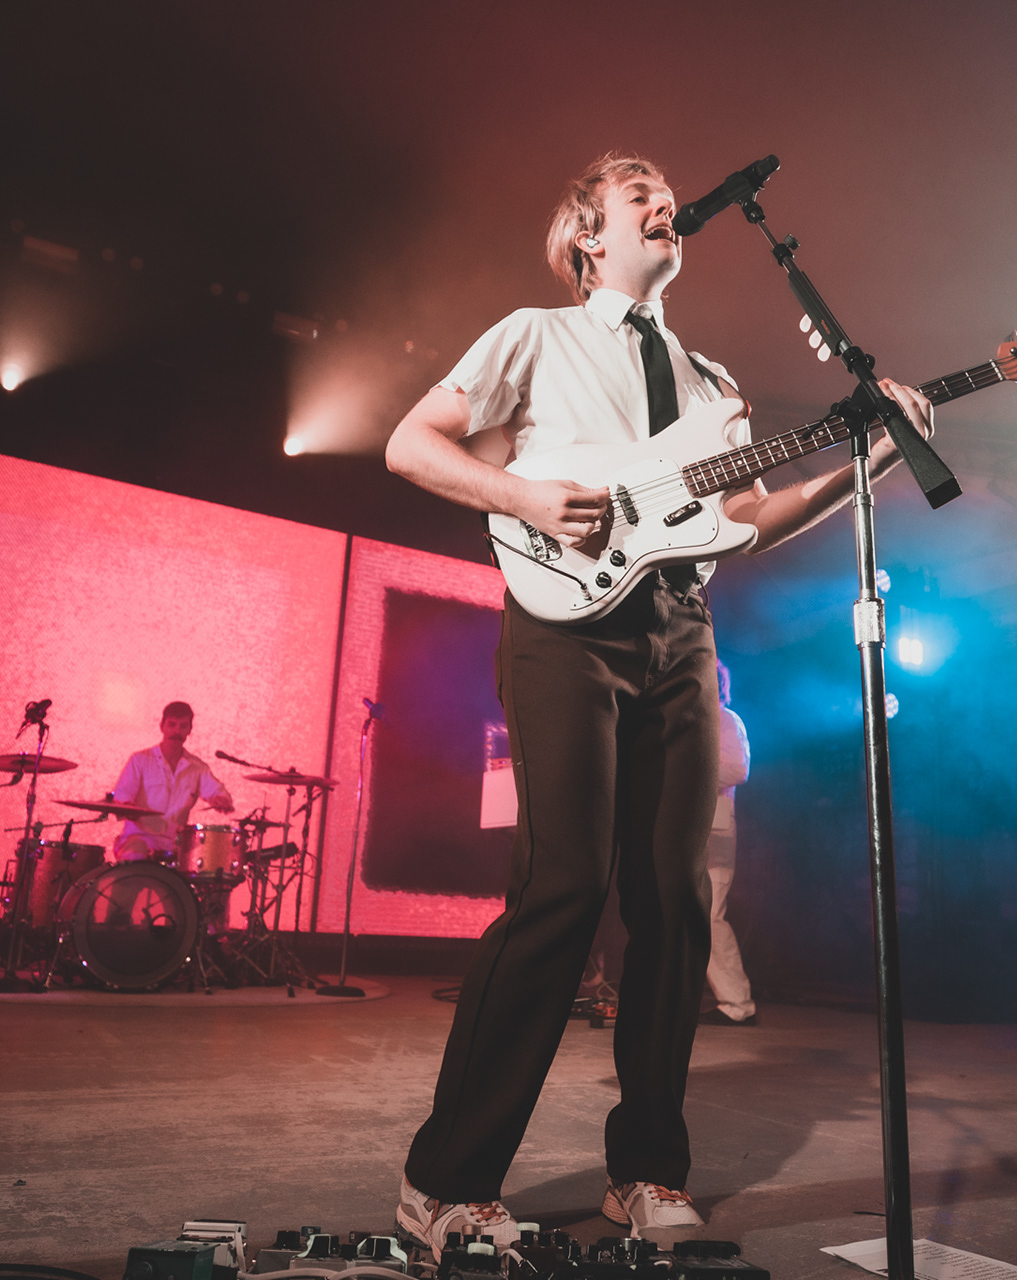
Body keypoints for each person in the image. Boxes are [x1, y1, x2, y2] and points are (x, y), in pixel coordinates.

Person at [382, 152, 933, 1250]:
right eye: (635, 182)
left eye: (662, 182)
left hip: (681, 627)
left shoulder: (716, 380)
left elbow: (744, 519)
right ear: (590, 230)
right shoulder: (532, 334)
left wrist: (870, 453)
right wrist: (525, 492)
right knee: (565, 886)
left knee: (675, 904)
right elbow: (411, 444)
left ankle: (645, 1170)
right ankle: (445, 1179)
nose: (659, 191)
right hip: (562, 624)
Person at [110, 701, 235, 862]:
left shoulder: (197, 768)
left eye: (183, 726)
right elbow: (121, 796)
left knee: (204, 862)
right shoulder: (140, 760)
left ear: (190, 730)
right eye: (172, 725)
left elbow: (218, 791)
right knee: (134, 859)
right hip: (139, 839)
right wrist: (126, 806)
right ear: (162, 726)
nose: (177, 731)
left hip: (175, 844)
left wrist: (221, 799)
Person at [700, 662, 755, 1027]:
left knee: (709, 916)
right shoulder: (689, 721)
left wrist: (684, 768)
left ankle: (738, 1005)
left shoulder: (726, 719)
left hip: (714, 832)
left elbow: (737, 769)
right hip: (686, 829)